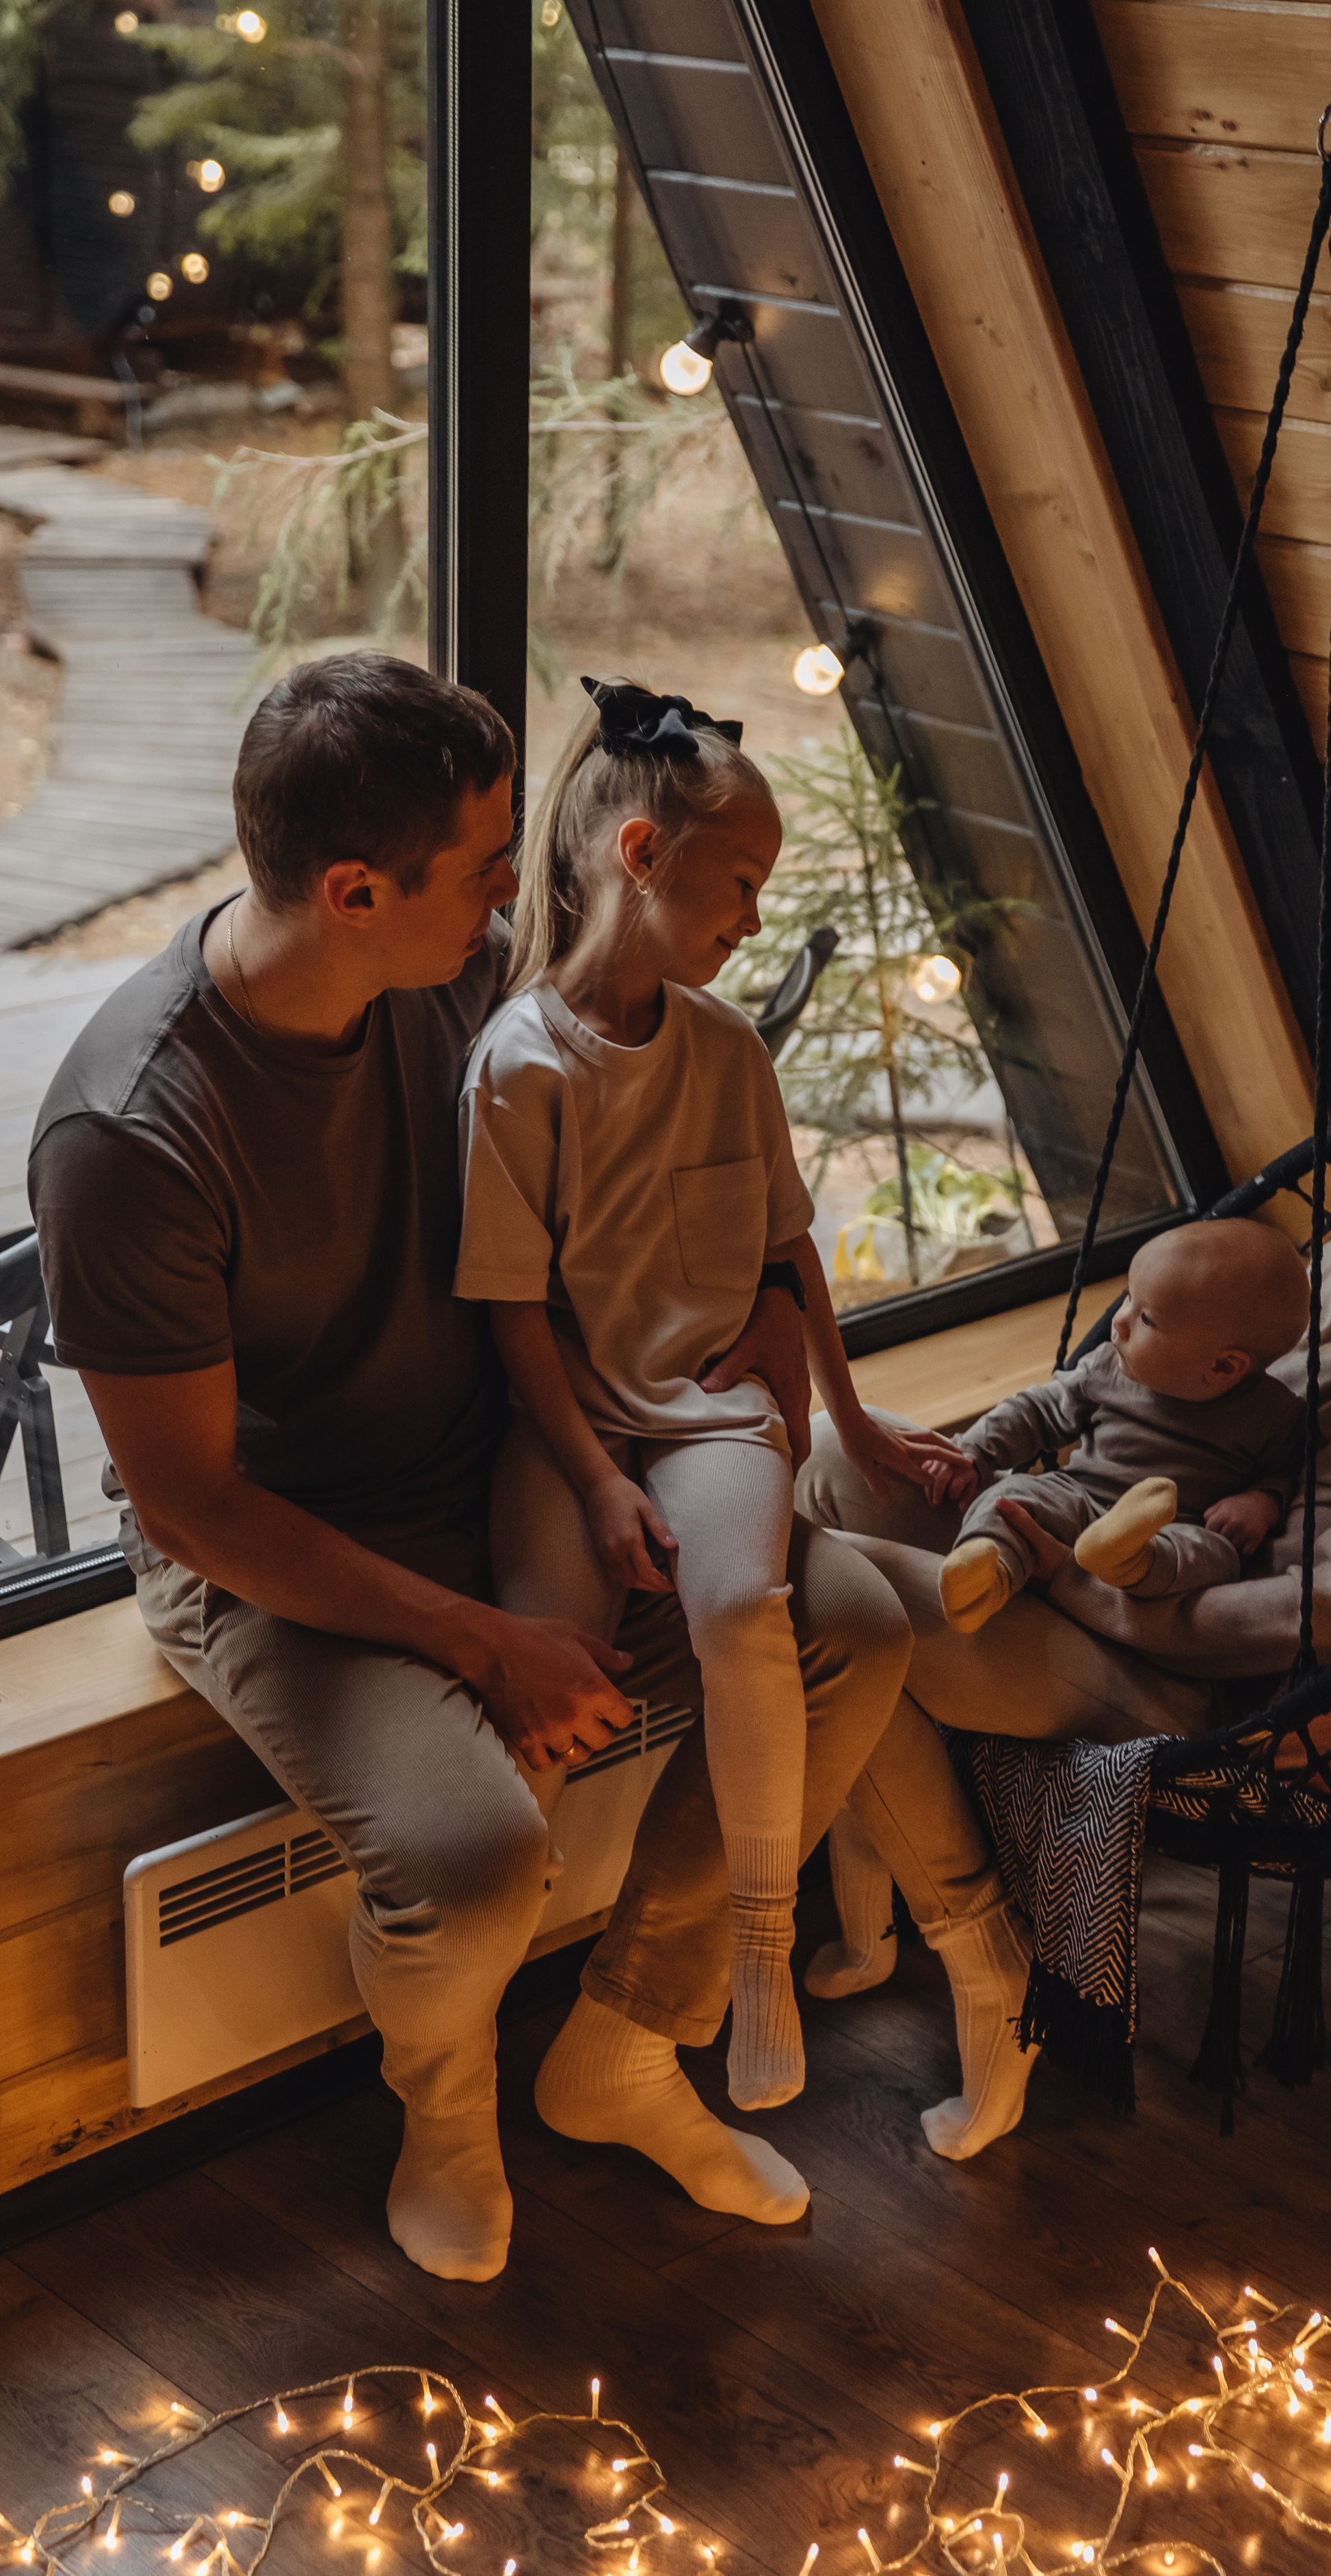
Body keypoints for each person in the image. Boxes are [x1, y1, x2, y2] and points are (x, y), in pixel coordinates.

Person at [27, 653, 917, 2285]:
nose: (518, 894)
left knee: (847, 1622)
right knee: (475, 1854)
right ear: (355, 889)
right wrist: (478, 1637)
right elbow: (190, 1503)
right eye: (489, 866)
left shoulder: (467, 981)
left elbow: (654, 1087)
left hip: (513, 1460)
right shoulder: (132, 1133)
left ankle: (626, 2042)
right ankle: (445, 2115)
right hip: (282, 1543)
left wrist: (774, 1324)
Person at [795, 1003, 1331, 2156]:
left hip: (1220, 1683)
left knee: (835, 1593)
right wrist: (1020, 1481)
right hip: (1114, 1561)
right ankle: (880, 1900)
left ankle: (984, 1960)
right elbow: (1149, 1381)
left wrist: (1092, 1583)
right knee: (834, 1462)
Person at [453, 678, 964, 2116]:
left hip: (707, 1413)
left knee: (747, 1609)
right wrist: (596, 1478)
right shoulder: (519, 1069)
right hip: (566, 1428)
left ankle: (750, 1942)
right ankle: (465, 2037)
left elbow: (790, 1246)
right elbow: (507, 1309)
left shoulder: (728, 1052)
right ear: (639, 858)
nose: (751, 920)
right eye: (738, 884)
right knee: (548, 1702)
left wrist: (850, 1424)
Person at [929, 1217, 1308, 1632]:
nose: (1118, 1321)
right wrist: (975, 1451)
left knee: (1217, 1556)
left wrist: (1262, 1501)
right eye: (1128, 1298)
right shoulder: (1108, 1368)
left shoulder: (1273, 1413)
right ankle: (987, 1570)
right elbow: (1037, 1410)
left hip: (1176, 1528)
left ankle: (1127, 1559)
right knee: (1012, 1496)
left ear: (1223, 1366)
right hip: (1078, 1497)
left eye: (1147, 1319)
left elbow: (1288, 1469)